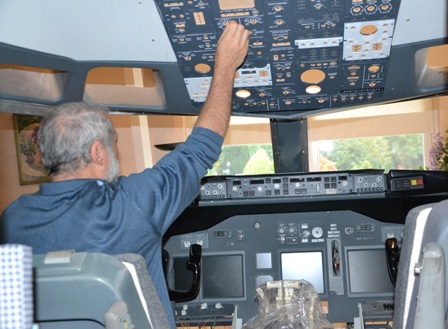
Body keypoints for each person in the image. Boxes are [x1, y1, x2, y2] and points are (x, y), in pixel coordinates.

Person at [1, 21, 250, 328]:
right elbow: (201, 149)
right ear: (97, 153)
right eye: (113, 146)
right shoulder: (129, 206)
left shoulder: (15, 220)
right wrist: (226, 67)